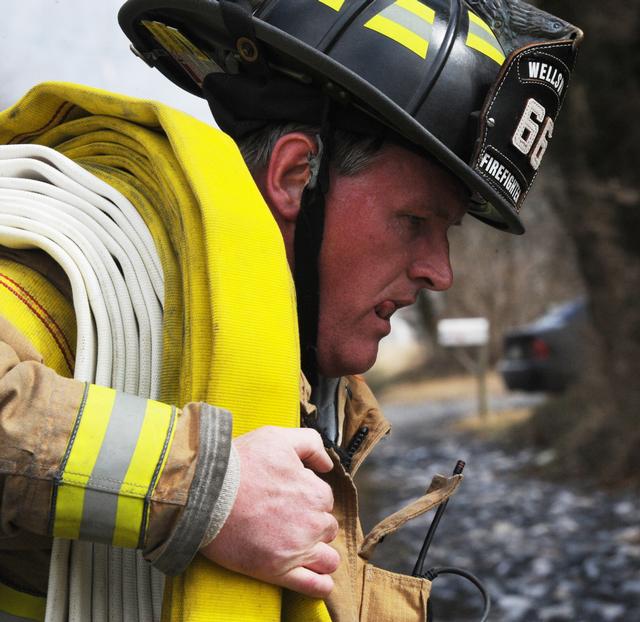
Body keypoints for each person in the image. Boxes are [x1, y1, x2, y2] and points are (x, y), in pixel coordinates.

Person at [0, 0, 582, 620]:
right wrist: (207, 490)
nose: (440, 271)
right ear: (296, 175)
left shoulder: (314, 392)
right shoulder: (80, 279)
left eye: (448, 232)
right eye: (415, 220)